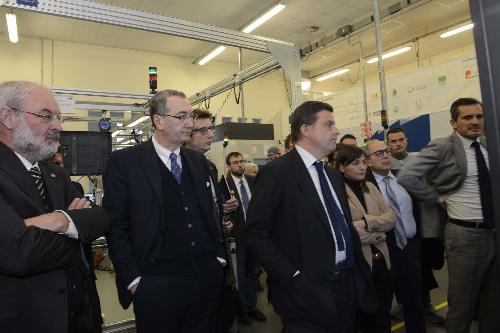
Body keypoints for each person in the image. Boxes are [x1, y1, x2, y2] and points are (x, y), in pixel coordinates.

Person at [244, 101, 376, 333]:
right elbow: (255, 233)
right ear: (306, 130)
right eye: (329, 124)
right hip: (304, 292)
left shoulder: (333, 176)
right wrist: (291, 276)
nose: (336, 130)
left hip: (345, 286)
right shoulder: (277, 173)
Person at [103, 90, 226, 333]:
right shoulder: (125, 162)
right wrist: (134, 280)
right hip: (155, 283)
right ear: (158, 121)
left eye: (190, 116)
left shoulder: (198, 162)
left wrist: (219, 259)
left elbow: (210, 213)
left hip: (205, 278)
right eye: (181, 117)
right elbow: (115, 225)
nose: (189, 124)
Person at [0, 81, 108, 333]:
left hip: (80, 316)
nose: (58, 127)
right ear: (8, 117)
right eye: (46, 116)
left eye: (58, 118)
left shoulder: (56, 175)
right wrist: (74, 227)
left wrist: (57, 221)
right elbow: (19, 253)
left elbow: (100, 219)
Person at [398, 97, 500, 333]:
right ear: (453, 122)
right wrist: (437, 198)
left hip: (493, 233)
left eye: (479, 116)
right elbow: (407, 176)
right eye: (467, 117)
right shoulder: (443, 146)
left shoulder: (487, 144)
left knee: (493, 303)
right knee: (462, 306)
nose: (475, 122)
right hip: (465, 235)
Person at [184, 108, 239, 333]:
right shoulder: (178, 170)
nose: (210, 135)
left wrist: (224, 211)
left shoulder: (210, 167)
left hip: (218, 256)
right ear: (187, 133)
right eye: (203, 130)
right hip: (193, 265)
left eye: (211, 129)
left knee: (224, 311)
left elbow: (210, 206)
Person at [364, 140, 426, 333]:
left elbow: (415, 212)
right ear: (367, 162)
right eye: (378, 153)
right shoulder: (364, 187)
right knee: (382, 307)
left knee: (415, 303)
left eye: (386, 151)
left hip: (409, 250)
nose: (384, 156)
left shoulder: (404, 179)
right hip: (383, 252)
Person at [386, 128, 446, 325]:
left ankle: (426, 304)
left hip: (424, 225)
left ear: (407, 140)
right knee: (401, 269)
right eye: (393, 141)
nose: (398, 144)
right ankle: (404, 304)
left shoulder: (420, 161)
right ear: (388, 144)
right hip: (400, 227)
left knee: (425, 268)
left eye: (401, 140)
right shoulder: (383, 165)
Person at [336, 145, 396, 333]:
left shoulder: (370, 187)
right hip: (360, 265)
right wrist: (379, 230)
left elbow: (391, 218)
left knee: (383, 313)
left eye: (364, 162)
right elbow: (348, 231)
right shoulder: (338, 192)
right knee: (363, 316)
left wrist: (366, 222)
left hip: (382, 261)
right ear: (342, 167)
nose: (362, 167)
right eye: (355, 163)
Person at [225, 152, 267, 326]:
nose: (240, 165)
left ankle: (251, 307)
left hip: (254, 236)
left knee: (253, 272)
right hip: (237, 236)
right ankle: (241, 310)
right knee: (239, 275)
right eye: (235, 162)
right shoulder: (225, 186)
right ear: (229, 166)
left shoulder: (251, 181)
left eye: (242, 161)